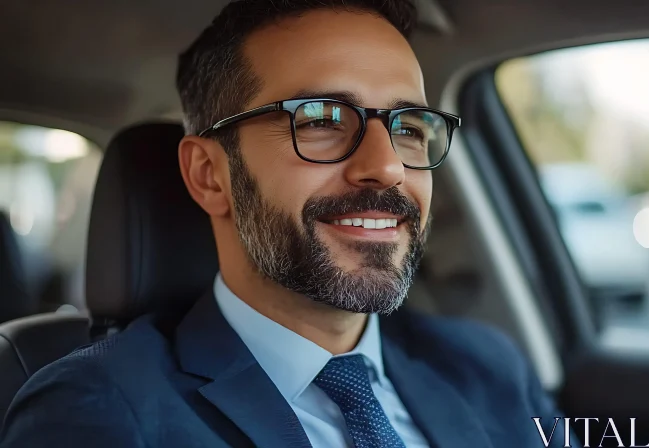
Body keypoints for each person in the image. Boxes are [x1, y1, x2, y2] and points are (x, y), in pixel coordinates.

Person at [0, 1, 568, 447]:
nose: (387, 166)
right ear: (209, 175)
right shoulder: (98, 412)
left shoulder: (487, 368)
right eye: (321, 119)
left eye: (410, 126)